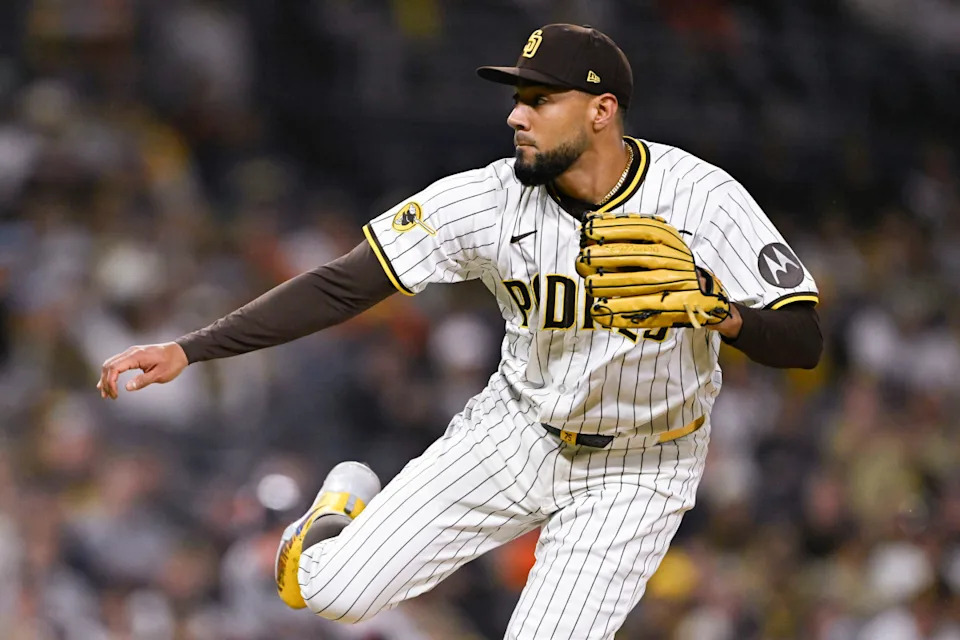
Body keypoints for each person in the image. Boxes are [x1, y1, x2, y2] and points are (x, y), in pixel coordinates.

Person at [97, 24, 822, 639]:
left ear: (602, 110)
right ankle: (331, 515)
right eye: (516, 98)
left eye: (540, 100)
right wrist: (190, 347)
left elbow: (804, 339)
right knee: (331, 595)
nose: (516, 116)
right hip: (518, 432)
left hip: (641, 470)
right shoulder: (486, 199)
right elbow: (345, 283)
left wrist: (719, 311)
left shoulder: (700, 196)